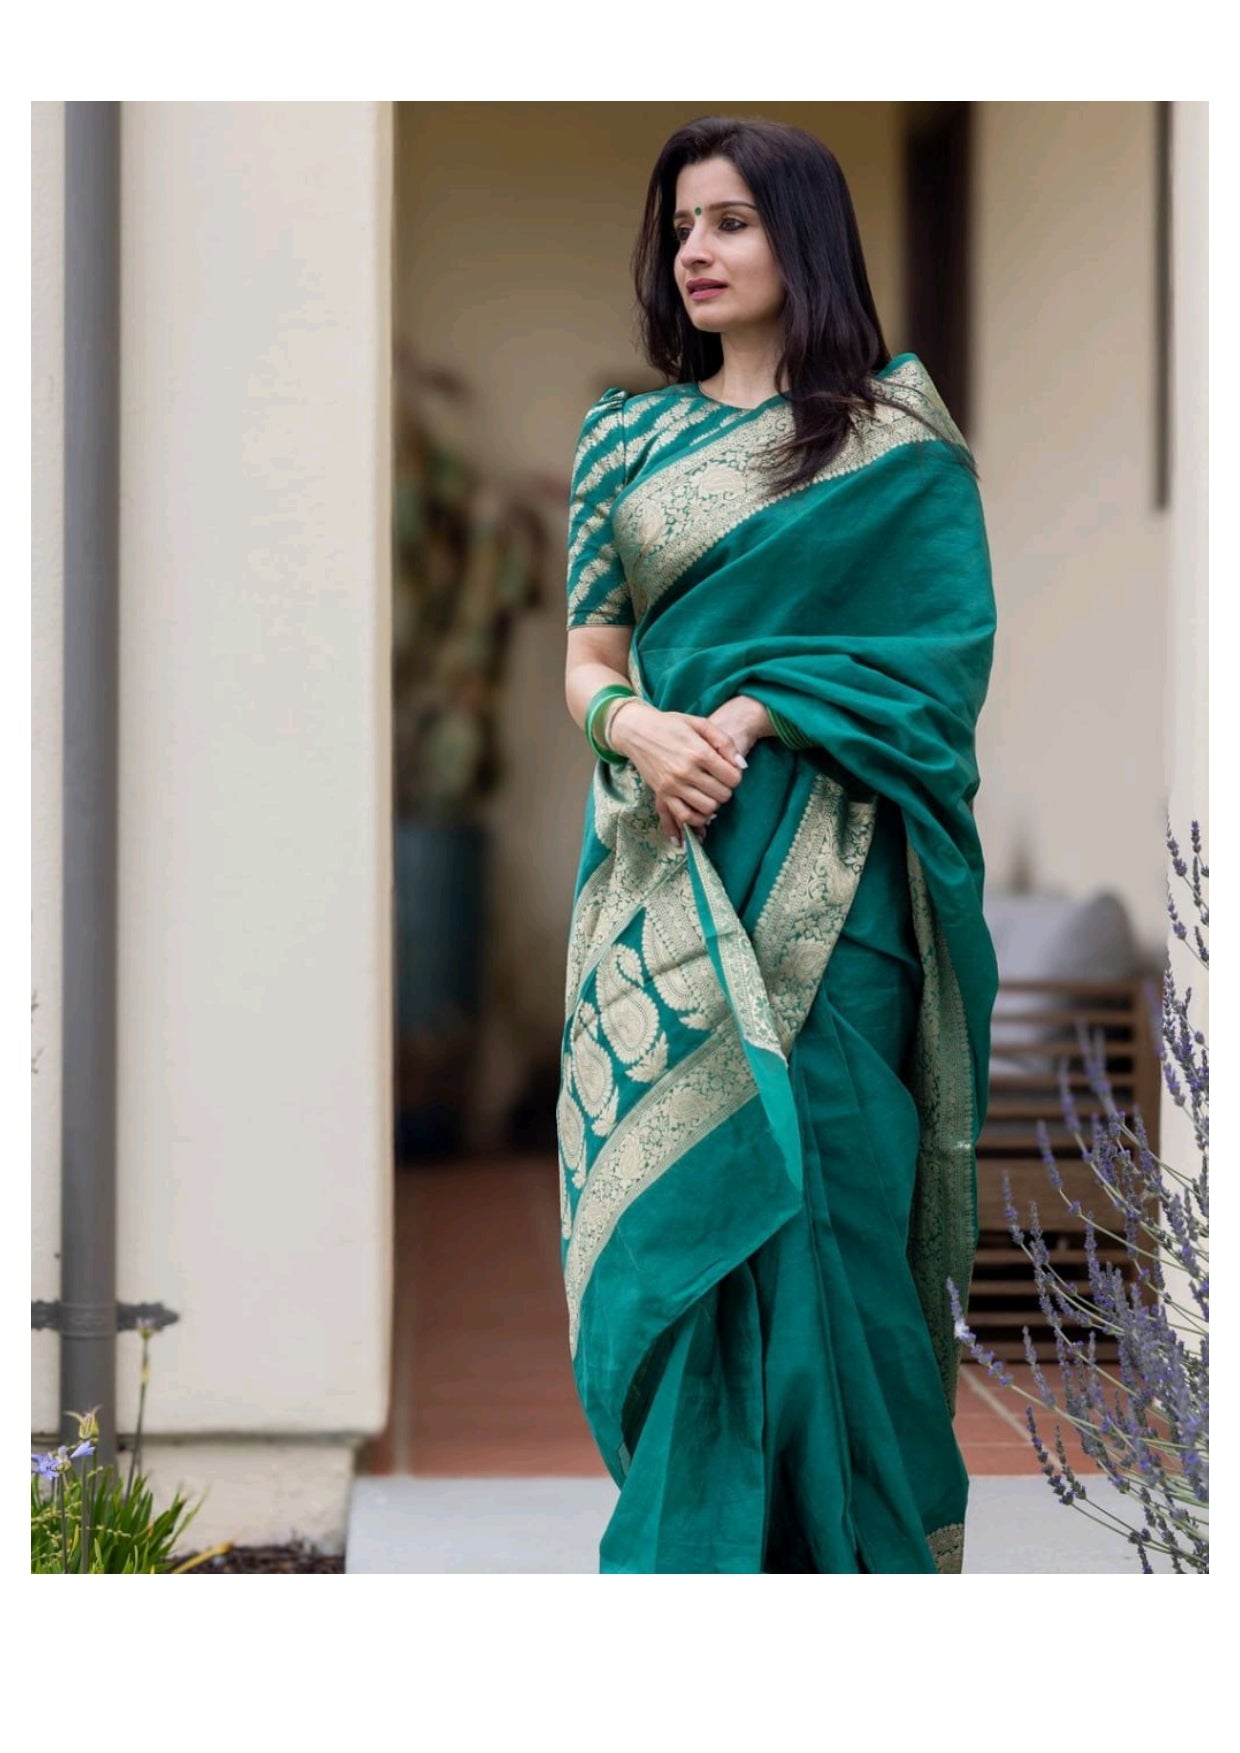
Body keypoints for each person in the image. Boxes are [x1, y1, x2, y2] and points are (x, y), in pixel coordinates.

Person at [558, 115, 998, 1573]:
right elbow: (589, 653)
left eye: (734, 221)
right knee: (694, 1223)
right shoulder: (622, 438)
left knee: (831, 1202)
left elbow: (932, 659)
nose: (695, 248)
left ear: (803, 238)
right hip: (661, 879)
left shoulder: (894, 439)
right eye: (682, 223)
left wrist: (744, 710)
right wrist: (636, 729)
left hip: (832, 873)